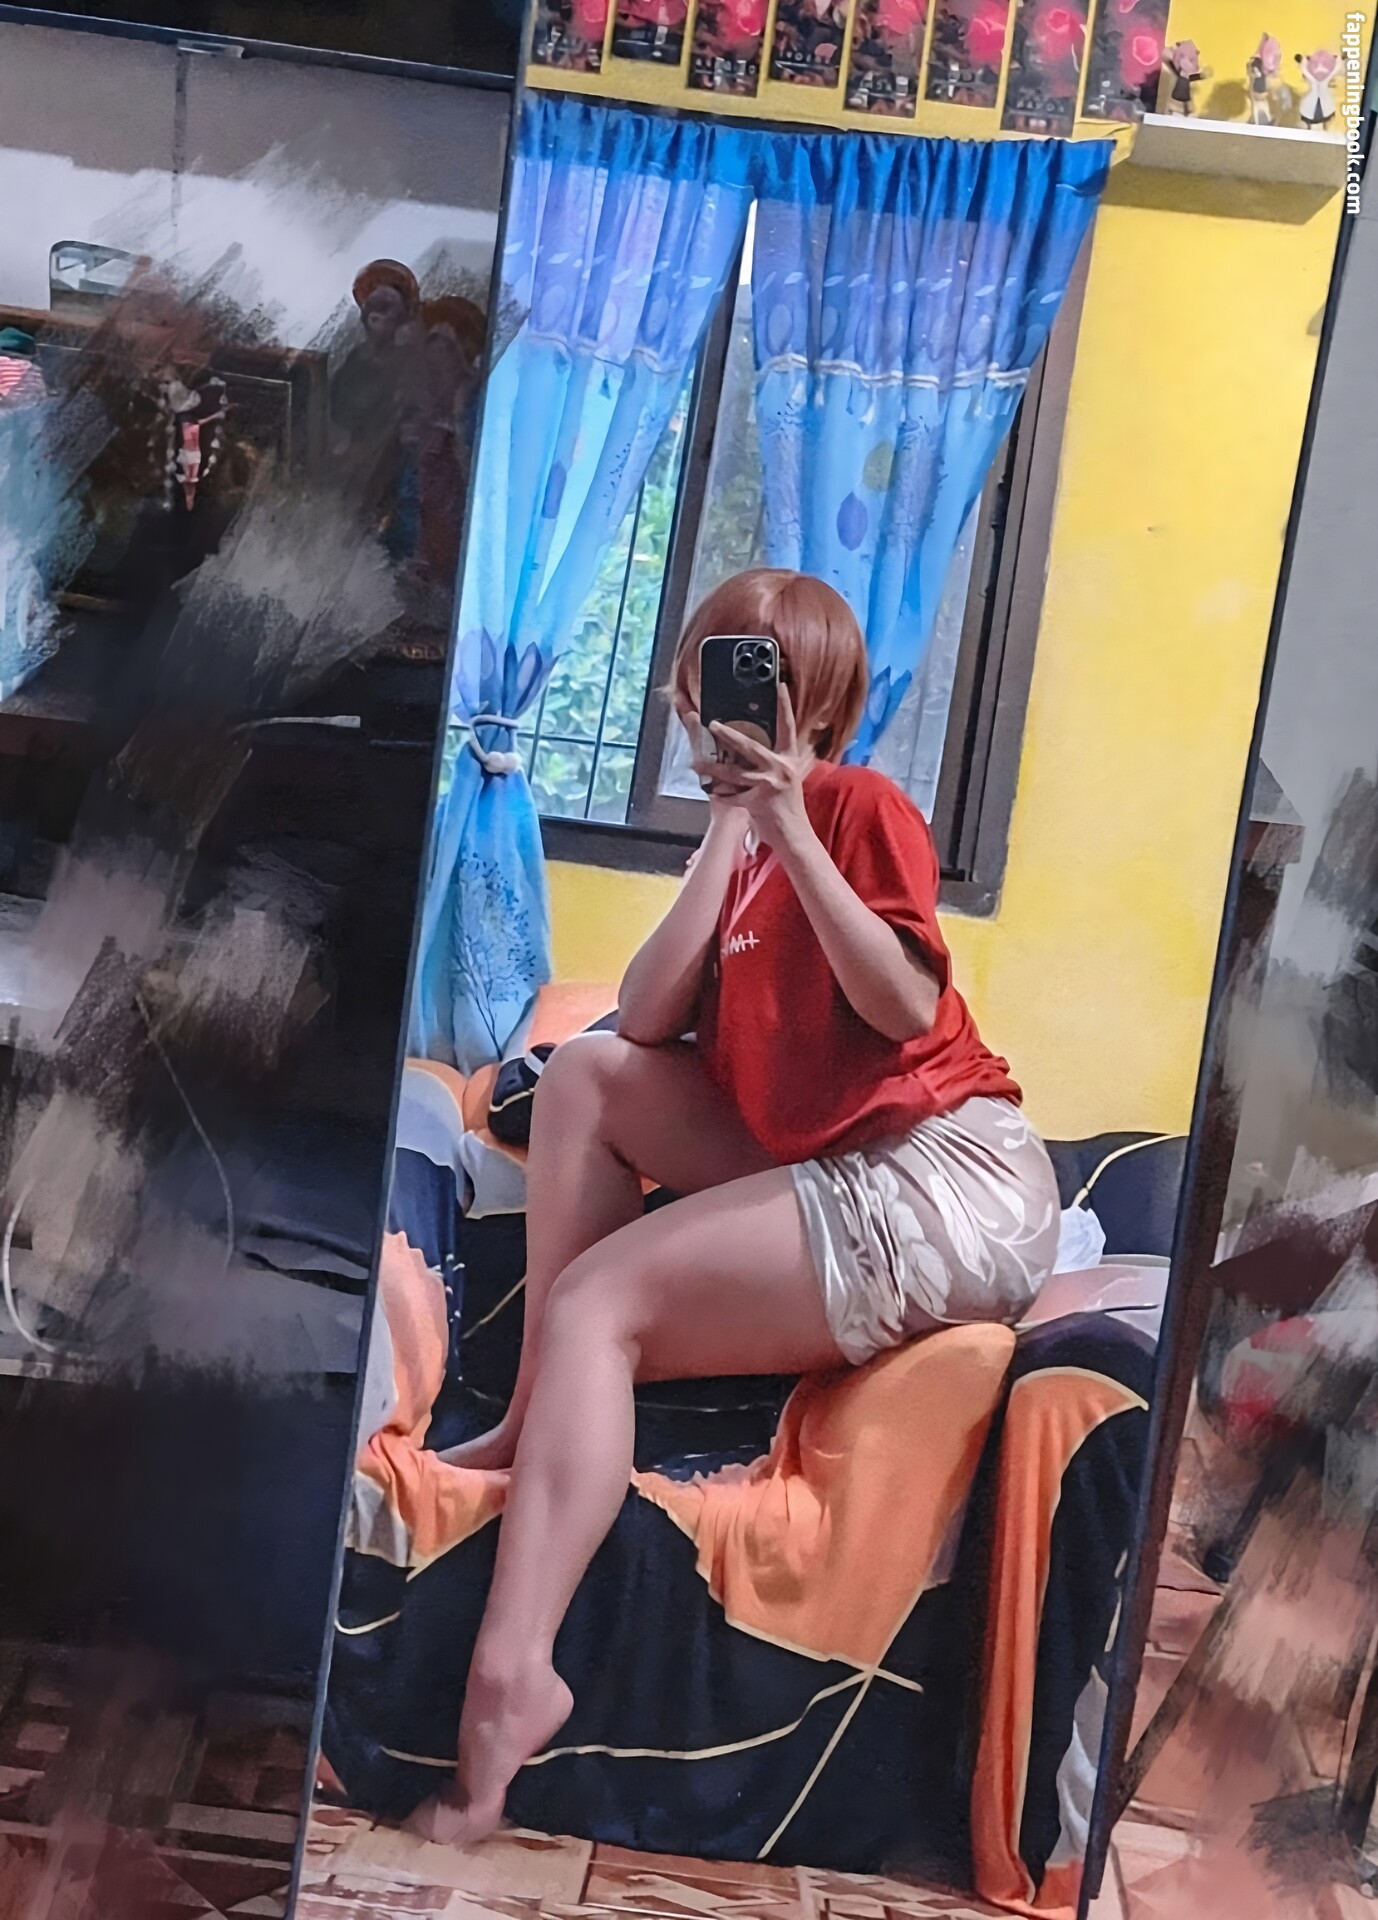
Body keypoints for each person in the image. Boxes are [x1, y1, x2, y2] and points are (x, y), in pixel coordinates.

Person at [413, 567, 1060, 1845]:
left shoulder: (860, 808)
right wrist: (729, 830)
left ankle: (510, 1680)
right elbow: (645, 1019)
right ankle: (539, 1409)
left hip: (949, 1176)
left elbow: (903, 1008)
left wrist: (796, 823)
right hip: (837, 1162)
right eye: (710, 677)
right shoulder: (743, 855)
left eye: (754, 679)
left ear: (813, 702)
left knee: (601, 1302)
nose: (723, 707)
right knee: (586, 1073)